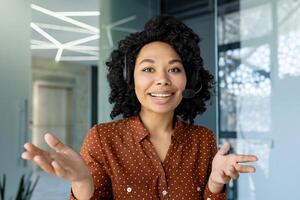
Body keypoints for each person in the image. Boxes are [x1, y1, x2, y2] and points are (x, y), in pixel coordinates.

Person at [21, 15, 258, 200]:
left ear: (190, 80)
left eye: (174, 69)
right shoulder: (102, 139)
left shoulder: (203, 140)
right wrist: (83, 182)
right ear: (129, 79)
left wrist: (215, 183)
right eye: (148, 69)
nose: (162, 79)